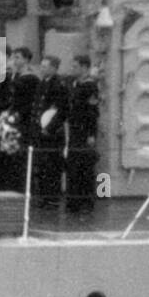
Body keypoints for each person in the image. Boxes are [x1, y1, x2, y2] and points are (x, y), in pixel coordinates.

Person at [31, 54, 69, 208]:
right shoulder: (42, 83)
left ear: (54, 68)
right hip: (40, 130)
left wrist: (50, 128)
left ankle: (52, 199)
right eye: (42, 65)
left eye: (45, 66)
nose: (42, 68)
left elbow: (62, 111)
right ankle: (44, 197)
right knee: (42, 166)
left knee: (52, 166)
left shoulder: (59, 85)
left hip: (52, 133)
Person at [65, 55, 100, 214]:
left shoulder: (90, 86)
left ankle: (86, 201)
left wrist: (92, 134)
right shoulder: (75, 84)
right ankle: (74, 201)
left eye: (76, 66)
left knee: (85, 167)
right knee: (73, 166)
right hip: (74, 129)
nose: (73, 69)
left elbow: (93, 112)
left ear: (85, 67)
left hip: (85, 131)